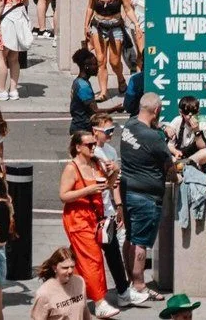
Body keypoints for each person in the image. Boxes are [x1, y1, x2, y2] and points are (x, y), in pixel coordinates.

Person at [118, 93, 174, 305]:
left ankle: (130, 279)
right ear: (157, 111)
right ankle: (140, 285)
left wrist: (161, 127)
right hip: (147, 197)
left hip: (128, 191)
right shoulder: (154, 139)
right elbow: (169, 167)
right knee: (141, 243)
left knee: (130, 238)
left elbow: (147, 132)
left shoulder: (130, 125)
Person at [60, 130, 119, 318]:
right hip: (77, 219)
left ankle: (70, 294)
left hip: (95, 218)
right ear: (78, 147)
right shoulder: (72, 168)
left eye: (94, 144)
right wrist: (88, 190)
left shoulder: (96, 163)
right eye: (89, 145)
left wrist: (115, 172)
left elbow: (108, 186)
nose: (94, 147)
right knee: (93, 258)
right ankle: (100, 301)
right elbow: (63, 196)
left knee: (81, 260)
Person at [30, 246, 86, 320]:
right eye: (65, 268)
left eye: (72, 267)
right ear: (54, 268)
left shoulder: (80, 282)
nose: (70, 271)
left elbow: (85, 311)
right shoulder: (44, 294)